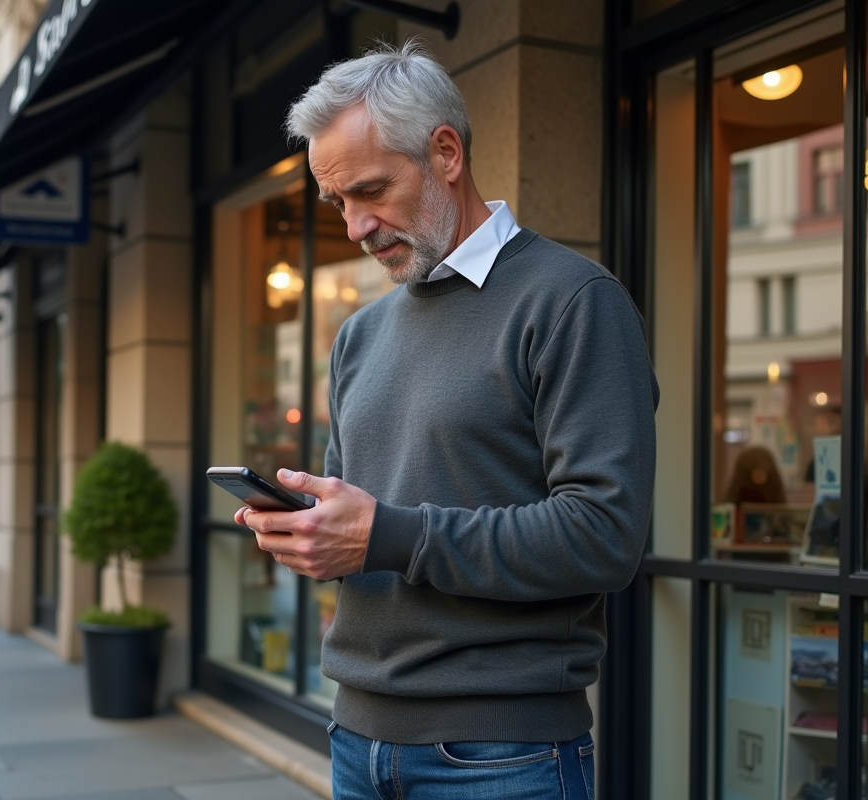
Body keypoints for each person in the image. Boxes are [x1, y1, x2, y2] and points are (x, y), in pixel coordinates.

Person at [235, 42, 658, 799]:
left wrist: (387, 535)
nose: (355, 227)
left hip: (503, 755)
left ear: (446, 152)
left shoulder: (572, 302)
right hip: (356, 739)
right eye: (337, 203)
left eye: (371, 191)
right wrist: (313, 535)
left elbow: (605, 536)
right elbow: (366, 530)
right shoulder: (359, 335)